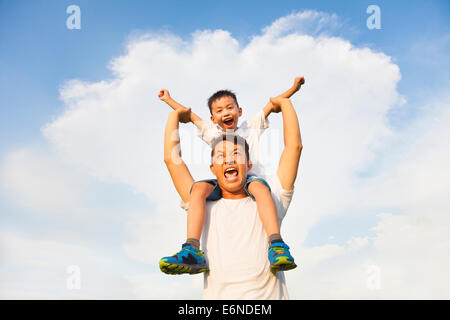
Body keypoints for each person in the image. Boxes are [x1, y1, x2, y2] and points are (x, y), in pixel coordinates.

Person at [158, 77, 305, 275]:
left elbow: (273, 103)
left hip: (251, 180)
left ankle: (276, 244)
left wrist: (292, 90)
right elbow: (190, 115)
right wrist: (169, 100)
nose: (225, 112)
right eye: (218, 111)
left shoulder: (250, 127)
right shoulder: (213, 133)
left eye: (229, 108)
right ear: (213, 118)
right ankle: (192, 249)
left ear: (239, 111)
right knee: (199, 188)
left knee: (260, 188)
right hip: (224, 182)